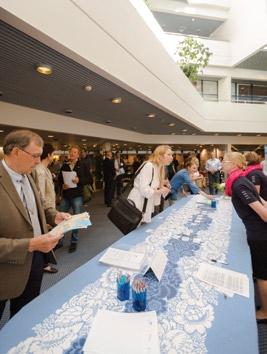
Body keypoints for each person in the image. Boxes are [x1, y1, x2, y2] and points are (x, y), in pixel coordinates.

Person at [0, 130, 69, 320]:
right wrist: (30, 244)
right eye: (35, 155)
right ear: (15, 152)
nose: (39, 161)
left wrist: (55, 216)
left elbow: (38, 206)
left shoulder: (27, 175)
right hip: (4, 269)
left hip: (35, 261)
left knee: (25, 316)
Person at [223, 152, 267, 323]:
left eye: (225, 161)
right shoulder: (242, 179)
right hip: (258, 232)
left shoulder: (239, 184)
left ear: (234, 164)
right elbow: (262, 200)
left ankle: (265, 312)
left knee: (263, 275)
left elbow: (263, 214)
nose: (222, 164)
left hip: (260, 234)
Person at [127, 145, 172, 223]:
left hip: (146, 203)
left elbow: (151, 184)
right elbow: (144, 189)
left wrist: (162, 186)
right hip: (139, 203)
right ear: (160, 156)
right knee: (137, 230)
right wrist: (160, 191)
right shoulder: (149, 166)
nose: (172, 157)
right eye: (169, 154)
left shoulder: (158, 167)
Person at [32, 143, 58, 274]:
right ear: (48, 155)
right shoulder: (40, 170)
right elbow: (40, 195)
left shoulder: (45, 169)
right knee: (42, 236)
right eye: (53, 154)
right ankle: (44, 264)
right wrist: (44, 216)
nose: (53, 157)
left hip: (49, 208)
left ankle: (44, 262)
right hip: (45, 210)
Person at [58, 146, 90, 253]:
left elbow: (89, 179)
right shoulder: (65, 165)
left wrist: (79, 180)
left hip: (77, 196)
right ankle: (59, 240)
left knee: (76, 220)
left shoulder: (83, 165)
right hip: (66, 195)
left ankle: (74, 241)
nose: (72, 154)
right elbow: (59, 180)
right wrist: (63, 186)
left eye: (74, 152)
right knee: (60, 218)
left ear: (78, 154)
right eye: (71, 152)